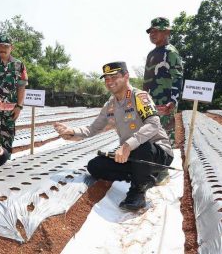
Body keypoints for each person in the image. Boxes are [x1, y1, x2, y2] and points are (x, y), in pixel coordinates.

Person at [54, 62, 173, 211]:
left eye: (114, 77)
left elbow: (154, 124)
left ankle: (138, 191)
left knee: (143, 147)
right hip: (132, 155)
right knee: (95, 166)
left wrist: (128, 145)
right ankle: (145, 176)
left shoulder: (139, 97)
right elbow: (93, 128)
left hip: (156, 152)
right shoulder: (110, 104)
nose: (109, 82)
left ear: (126, 76)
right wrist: (72, 131)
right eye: (106, 79)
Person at [143, 17, 183, 185]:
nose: (152, 34)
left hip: (164, 102)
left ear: (167, 32)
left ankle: (163, 171)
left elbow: (178, 77)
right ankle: (152, 167)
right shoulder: (152, 54)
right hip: (151, 102)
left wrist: (173, 101)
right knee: (150, 134)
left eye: (156, 30)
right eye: (150, 31)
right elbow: (147, 79)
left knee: (164, 134)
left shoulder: (170, 52)